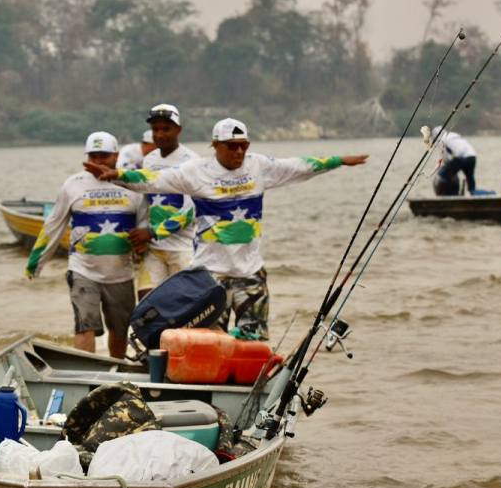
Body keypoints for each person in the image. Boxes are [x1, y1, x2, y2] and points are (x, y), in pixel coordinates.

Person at [84, 118, 368, 341]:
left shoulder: (258, 166)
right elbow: (152, 180)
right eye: (232, 146)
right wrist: (118, 175)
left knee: (253, 341)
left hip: (250, 274)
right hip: (210, 276)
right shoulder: (196, 172)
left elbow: (302, 166)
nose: (239, 151)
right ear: (215, 145)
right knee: (208, 340)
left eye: (243, 144)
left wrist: (339, 160)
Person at [25, 131, 152, 359]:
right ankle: (85, 372)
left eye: (104, 156)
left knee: (120, 329)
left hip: (121, 274)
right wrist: (36, 262)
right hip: (83, 270)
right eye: (93, 156)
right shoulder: (73, 185)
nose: (98, 162)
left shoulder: (132, 185)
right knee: (85, 324)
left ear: (116, 156)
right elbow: (54, 225)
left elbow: (145, 225)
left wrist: (143, 247)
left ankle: (116, 371)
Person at [137, 103, 199, 299]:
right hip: (154, 249)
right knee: (147, 303)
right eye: (155, 129)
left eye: (166, 129)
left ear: (178, 130)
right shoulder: (149, 160)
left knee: (185, 306)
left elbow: (192, 211)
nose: (160, 135)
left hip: (183, 249)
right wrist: (140, 236)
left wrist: (153, 232)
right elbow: (145, 203)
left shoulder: (193, 162)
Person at [433, 127, 477, 195]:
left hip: (461, 157)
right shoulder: (454, 134)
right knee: (469, 177)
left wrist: (446, 166)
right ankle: (473, 192)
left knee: (443, 174)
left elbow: (446, 158)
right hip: (472, 156)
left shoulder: (442, 139)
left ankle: (449, 194)